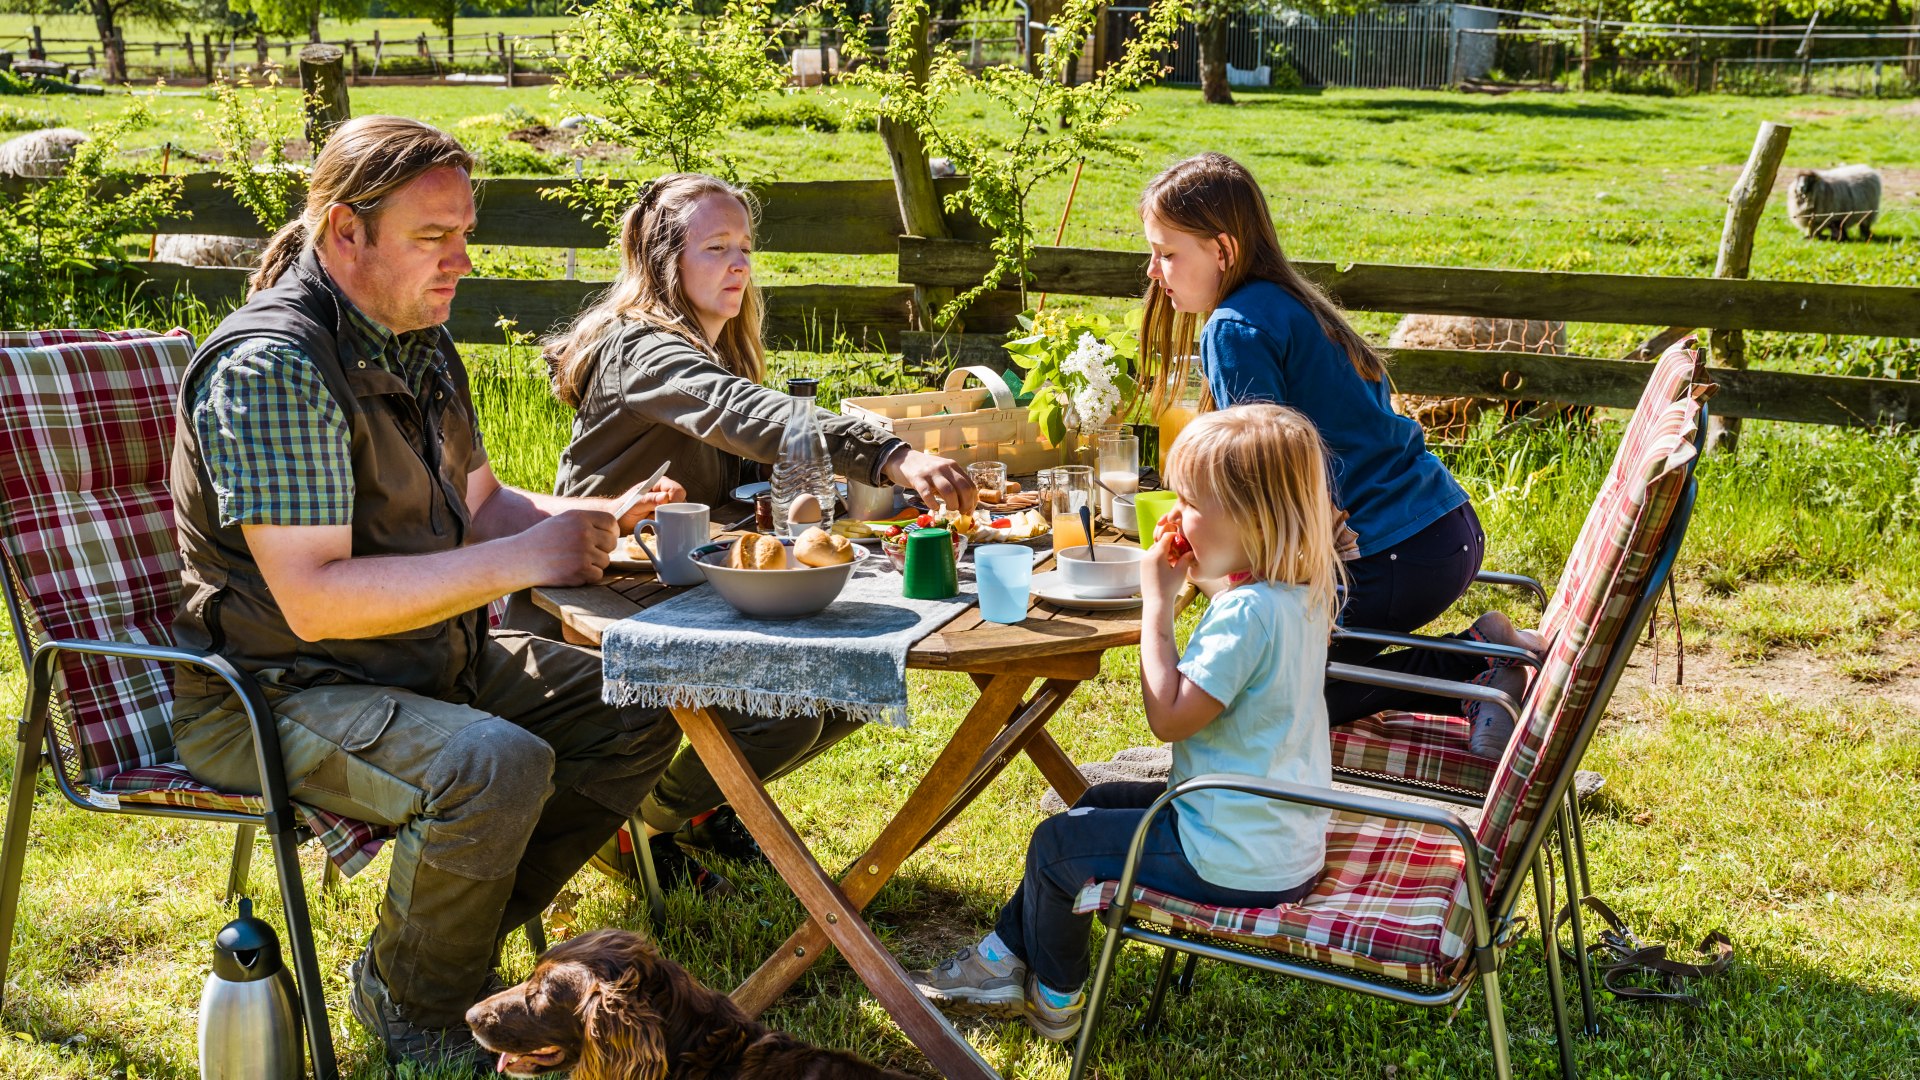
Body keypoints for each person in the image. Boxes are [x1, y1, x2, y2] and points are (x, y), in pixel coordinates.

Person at [169, 116, 687, 1075]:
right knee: (493, 765)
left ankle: (445, 951)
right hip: (275, 689)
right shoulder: (276, 369)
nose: (460, 260)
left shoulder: (416, 338)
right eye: (431, 238)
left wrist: (596, 513)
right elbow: (315, 601)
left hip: (420, 660)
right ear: (345, 234)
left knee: (641, 704)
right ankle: (415, 1004)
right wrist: (531, 558)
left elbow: (483, 504)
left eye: (465, 235)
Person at [523, 172, 978, 894]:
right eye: (716, 248)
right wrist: (891, 453)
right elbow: (739, 410)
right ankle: (636, 825)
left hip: (683, 582)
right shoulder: (642, 349)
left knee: (845, 682)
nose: (739, 264)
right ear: (663, 260)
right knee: (790, 714)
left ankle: (700, 810)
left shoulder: (716, 345)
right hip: (596, 591)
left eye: (745, 247)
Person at [909, 404, 1340, 1042]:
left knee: (1056, 846)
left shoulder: (1246, 614)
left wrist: (1158, 605)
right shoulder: (1297, 592)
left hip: (1229, 854)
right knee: (1099, 800)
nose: (1173, 515)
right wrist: (1203, 575)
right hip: (1279, 835)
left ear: (1249, 516)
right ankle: (1002, 957)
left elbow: (1168, 717)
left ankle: (1055, 1000)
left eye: (1189, 500)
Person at [1136, 152, 1539, 757]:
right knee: (1286, 680)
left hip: (1386, 554)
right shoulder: (1290, 301)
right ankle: (1477, 656)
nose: (1153, 271)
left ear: (1221, 248)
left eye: (1168, 253)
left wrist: (1208, 565)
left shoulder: (1234, 327)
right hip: (1442, 531)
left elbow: (1258, 476)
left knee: (1265, 696)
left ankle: (1475, 667)